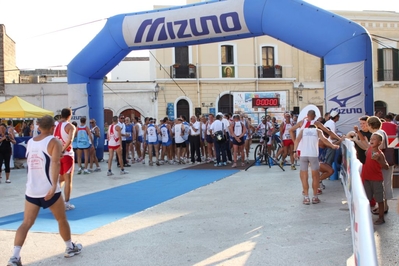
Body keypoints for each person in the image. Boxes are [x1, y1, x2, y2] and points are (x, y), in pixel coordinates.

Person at [7, 115, 82, 266]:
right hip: (48, 189)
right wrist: (54, 184)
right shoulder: (54, 141)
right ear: (53, 128)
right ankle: (69, 247)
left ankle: (15, 256)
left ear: (39, 127)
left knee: (26, 223)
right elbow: (55, 162)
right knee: (61, 219)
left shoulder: (30, 142)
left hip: (32, 190)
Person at [293, 125, 339, 205]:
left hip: (304, 155)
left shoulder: (303, 130)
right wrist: (333, 146)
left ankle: (306, 198)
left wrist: (295, 151)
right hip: (313, 155)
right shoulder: (318, 131)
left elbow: (297, 140)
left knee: (304, 177)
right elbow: (324, 140)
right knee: (315, 177)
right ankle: (315, 197)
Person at [361, 132, 389, 225]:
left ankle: (381, 218)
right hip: (367, 179)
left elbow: (386, 166)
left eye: (374, 139)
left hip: (376, 179)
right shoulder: (369, 149)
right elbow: (363, 141)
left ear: (380, 142)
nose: (371, 140)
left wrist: (379, 160)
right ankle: (366, 217)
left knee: (379, 199)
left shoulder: (380, 154)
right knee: (367, 199)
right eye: (371, 139)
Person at [53, 108, 76, 211]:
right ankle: (66, 203)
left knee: (60, 178)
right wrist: (63, 149)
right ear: (70, 115)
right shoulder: (70, 126)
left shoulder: (55, 125)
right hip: (67, 154)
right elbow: (70, 140)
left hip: (57, 154)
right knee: (68, 180)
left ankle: (54, 198)